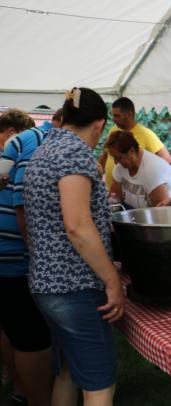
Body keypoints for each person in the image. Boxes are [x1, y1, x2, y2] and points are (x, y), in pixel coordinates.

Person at [24, 87, 126, 406]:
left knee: (68, 371)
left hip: (46, 285)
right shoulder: (74, 153)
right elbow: (77, 225)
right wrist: (112, 280)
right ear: (99, 125)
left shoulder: (45, 149)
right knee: (99, 386)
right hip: (74, 288)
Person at [0, 109, 53, 406]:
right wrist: (38, 255)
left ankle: (21, 388)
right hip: (13, 260)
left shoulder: (11, 154)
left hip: (7, 259)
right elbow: (21, 208)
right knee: (31, 340)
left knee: (13, 329)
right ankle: (38, 399)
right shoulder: (27, 144)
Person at [98, 96, 171, 189]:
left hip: (133, 194)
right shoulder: (114, 131)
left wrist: (148, 178)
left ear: (129, 115)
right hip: (111, 191)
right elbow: (105, 155)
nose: (113, 119)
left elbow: (167, 159)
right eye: (113, 115)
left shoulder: (146, 134)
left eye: (117, 116)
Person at [106, 130, 171, 209]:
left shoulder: (152, 170)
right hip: (134, 213)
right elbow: (114, 198)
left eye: (118, 158)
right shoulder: (121, 166)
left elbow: (162, 212)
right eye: (114, 158)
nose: (116, 163)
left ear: (131, 151)